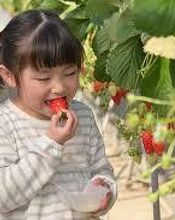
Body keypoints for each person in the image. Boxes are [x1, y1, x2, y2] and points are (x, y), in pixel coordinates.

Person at [0, 9, 117, 220]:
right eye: (44, 78)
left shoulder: (83, 115)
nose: (59, 87)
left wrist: (105, 189)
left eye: (70, 73)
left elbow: (101, 169)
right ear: (9, 76)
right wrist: (51, 144)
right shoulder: (5, 123)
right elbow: (3, 197)